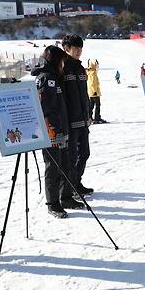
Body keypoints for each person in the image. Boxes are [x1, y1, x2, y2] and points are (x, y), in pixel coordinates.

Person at [32, 46, 83, 218]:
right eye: (62, 62)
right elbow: (47, 108)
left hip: (62, 130)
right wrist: (55, 129)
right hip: (51, 132)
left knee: (66, 165)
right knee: (53, 168)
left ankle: (66, 197)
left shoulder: (54, 77)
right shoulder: (47, 79)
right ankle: (52, 203)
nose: (63, 65)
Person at [62, 35, 93, 198]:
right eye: (75, 48)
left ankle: (76, 182)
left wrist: (89, 114)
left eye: (80, 48)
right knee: (71, 156)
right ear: (66, 48)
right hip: (70, 121)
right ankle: (69, 186)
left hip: (83, 119)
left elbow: (84, 95)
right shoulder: (62, 68)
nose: (79, 51)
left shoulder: (80, 68)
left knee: (85, 153)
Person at [87, 59, 106, 123]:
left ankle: (90, 117)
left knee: (91, 105)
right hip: (94, 92)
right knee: (97, 105)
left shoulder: (90, 72)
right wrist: (95, 91)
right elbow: (93, 83)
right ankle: (97, 118)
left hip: (91, 92)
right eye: (96, 65)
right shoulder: (93, 73)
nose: (97, 66)